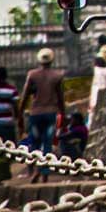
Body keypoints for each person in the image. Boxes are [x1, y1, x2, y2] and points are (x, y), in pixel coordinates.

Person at [18, 47, 65, 184]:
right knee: (47, 143)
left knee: (35, 142)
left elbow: (25, 95)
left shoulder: (32, 75)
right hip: (50, 113)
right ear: (52, 60)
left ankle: (33, 170)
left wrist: (20, 113)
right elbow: (60, 98)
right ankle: (44, 173)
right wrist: (63, 114)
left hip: (35, 113)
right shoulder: (57, 76)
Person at [0, 66, 20, 143]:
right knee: (9, 145)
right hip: (8, 123)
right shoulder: (12, 89)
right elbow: (16, 107)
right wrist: (17, 118)